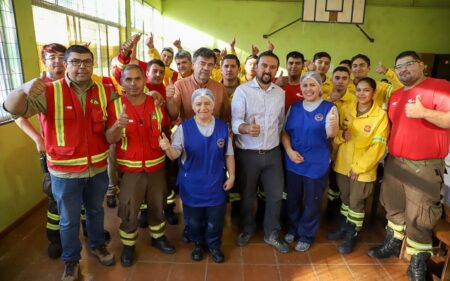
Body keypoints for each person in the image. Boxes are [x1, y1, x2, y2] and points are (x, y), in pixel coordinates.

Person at [4, 45, 117, 280]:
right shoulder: (49, 91)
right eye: (75, 61)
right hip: (64, 173)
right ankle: (71, 260)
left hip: (96, 168)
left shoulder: (104, 91)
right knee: (68, 219)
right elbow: (11, 108)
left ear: (92, 65)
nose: (82, 66)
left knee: (96, 212)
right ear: (66, 64)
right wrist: (22, 89)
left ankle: (97, 246)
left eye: (87, 62)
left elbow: (126, 96)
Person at [368, 51, 450, 281]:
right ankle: (393, 244)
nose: (403, 69)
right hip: (395, 162)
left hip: (423, 166)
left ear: (422, 66)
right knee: (393, 206)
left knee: (420, 215)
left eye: (408, 64)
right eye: (399, 66)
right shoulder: (396, 94)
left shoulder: (439, 86)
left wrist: (423, 112)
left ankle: (417, 263)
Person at [106, 64, 175, 267]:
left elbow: (165, 128)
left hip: (156, 167)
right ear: (122, 82)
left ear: (144, 79)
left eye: (137, 79)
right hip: (130, 170)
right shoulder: (115, 106)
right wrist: (118, 125)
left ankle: (158, 237)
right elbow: (109, 138)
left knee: (157, 205)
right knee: (128, 209)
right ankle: (128, 246)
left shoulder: (156, 103)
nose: (133, 84)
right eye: (128, 79)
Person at [159, 88, 235, 263]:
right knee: (193, 221)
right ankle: (198, 244)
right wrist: (167, 147)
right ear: (192, 106)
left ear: (213, 105)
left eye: (207, 103)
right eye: (198, 104)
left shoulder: (223, 127)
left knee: (215, 220)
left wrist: (231, 176)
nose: (203, 107)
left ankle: (214, 246)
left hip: (216, 184)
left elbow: (229, 154)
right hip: (192, 186)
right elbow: (174, 155)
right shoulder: (183, 129)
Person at [232, 50, 289, 253]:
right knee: (247, 195)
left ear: (276, 70)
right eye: (264, 65)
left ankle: (272, 233)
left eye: (272, 67)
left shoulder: (279, 93)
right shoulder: (242, 91)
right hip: (248, 153)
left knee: (275, 195)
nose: (267, 70)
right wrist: (246, 128)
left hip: (273, 153)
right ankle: (247, 229)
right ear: (256, 67)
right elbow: (235, 121)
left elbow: (281, 122)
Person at [327, 77, 389, 254]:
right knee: (346, 199)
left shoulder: (380, 116)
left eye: (366, 90)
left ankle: (351, 233)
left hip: (362, 170)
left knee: (356, 202)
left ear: (373, 93)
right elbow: (334, 133)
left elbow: (378, 146)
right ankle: (345, 227)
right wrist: (340, 136)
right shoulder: (347, 109)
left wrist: (359, 168)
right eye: (359, 90)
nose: (362, 94)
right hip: (343, 165)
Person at [281, 71, 338, 252]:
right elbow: (285, 133)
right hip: (294, 162)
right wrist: (289, 151)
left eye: (313, 85)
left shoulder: (329, 108)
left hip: (317, 163)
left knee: (313, 201)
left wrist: (332, 125)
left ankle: (307, 234)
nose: (308, 88)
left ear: (320, 87)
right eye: (305, 85)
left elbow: (332, 134)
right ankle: (293, 228)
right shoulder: (295, 108)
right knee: (293, 199)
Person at [166, 47, 231, 122]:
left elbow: (226, 117)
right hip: (188, 132)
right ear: (193, 64)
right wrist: (170, 99)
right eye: (202, 63)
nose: (206, 68)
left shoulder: (220, 88)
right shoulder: (180, 85)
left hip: (215, 132)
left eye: (210, 65)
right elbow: (173, 116)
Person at [325, 66, 356, 219]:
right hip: (327, 148)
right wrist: (331, 101)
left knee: (340, 184)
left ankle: (340, 216)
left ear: (349, 81)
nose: (340, 82)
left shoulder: (355, 101)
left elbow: (350, 130)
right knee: (331, 182)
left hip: (344, 150)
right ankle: (330, 212)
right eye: (337, 78)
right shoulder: (325, 99)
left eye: (344, 78)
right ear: (332, 79)